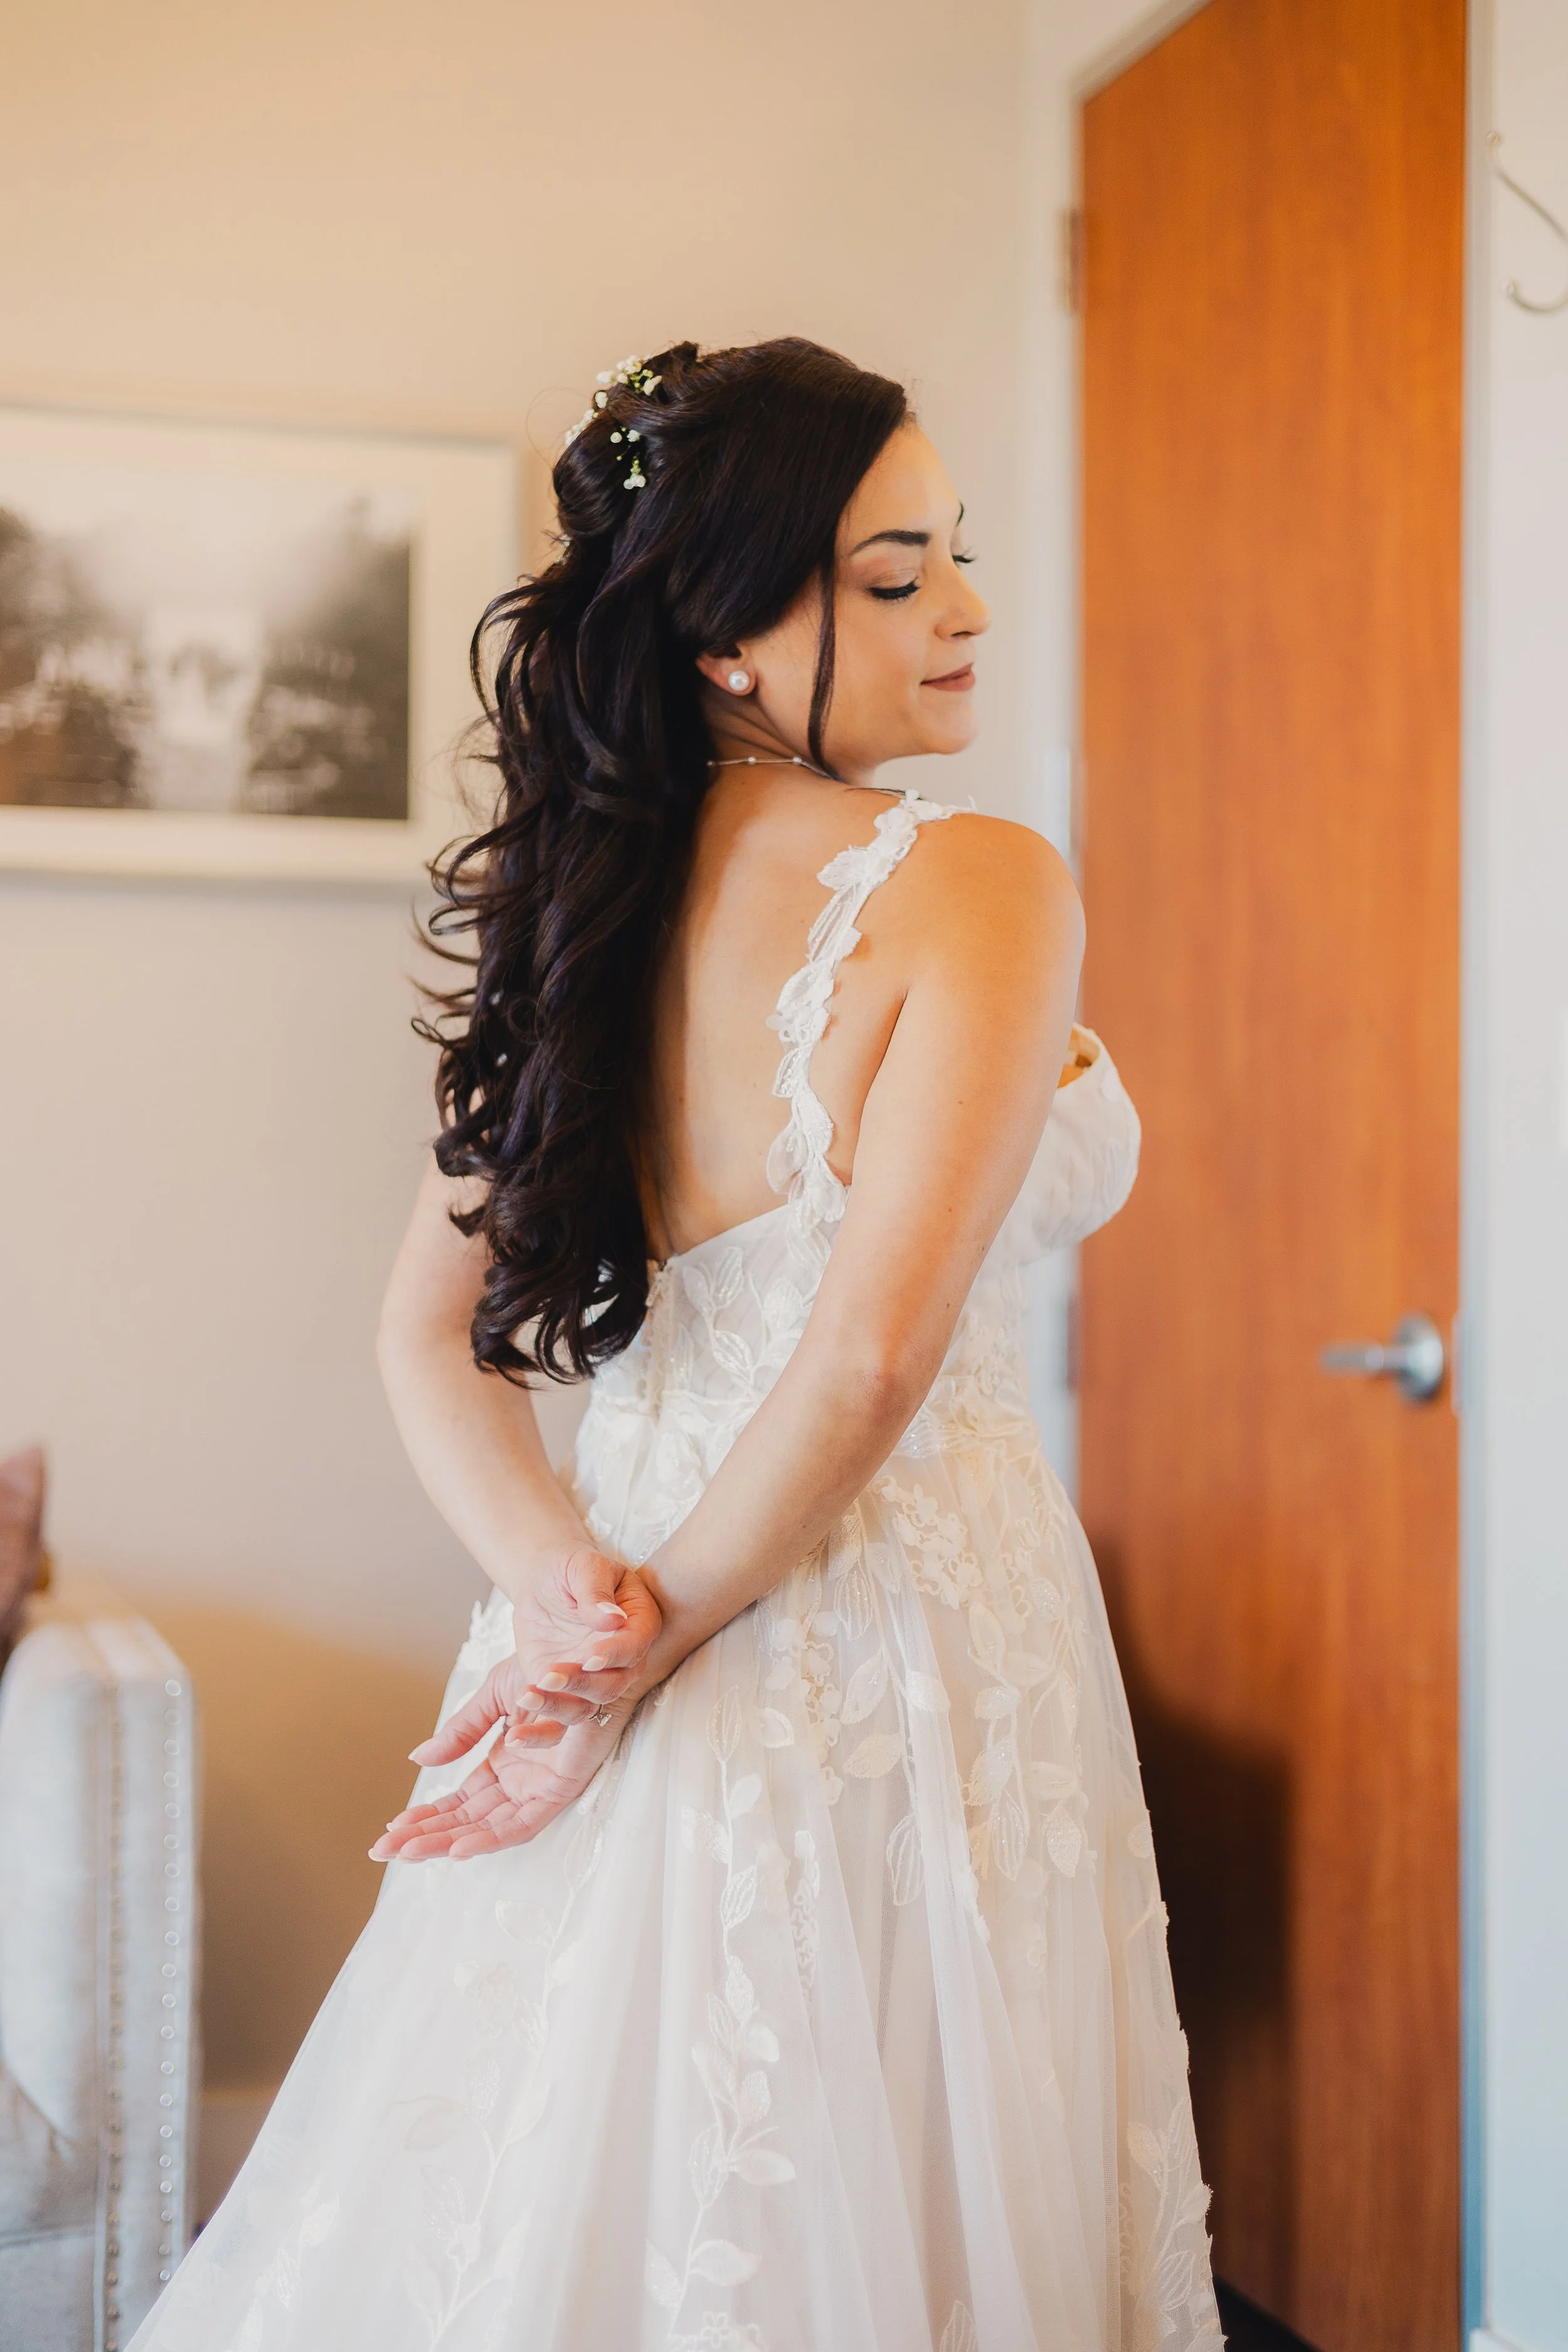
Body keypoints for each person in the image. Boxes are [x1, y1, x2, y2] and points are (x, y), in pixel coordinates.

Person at [130, 337, 1221, 2352]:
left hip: (631, 1574)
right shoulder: (975, 881)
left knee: (573, 2174)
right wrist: (628, 1644)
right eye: (894, 576)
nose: (966, 610)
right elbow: (868, 1367)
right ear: (721, 631)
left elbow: (420, 1335)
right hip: (875, 1606)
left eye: (955, 558)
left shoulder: (586, 901)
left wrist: (574, 1607)